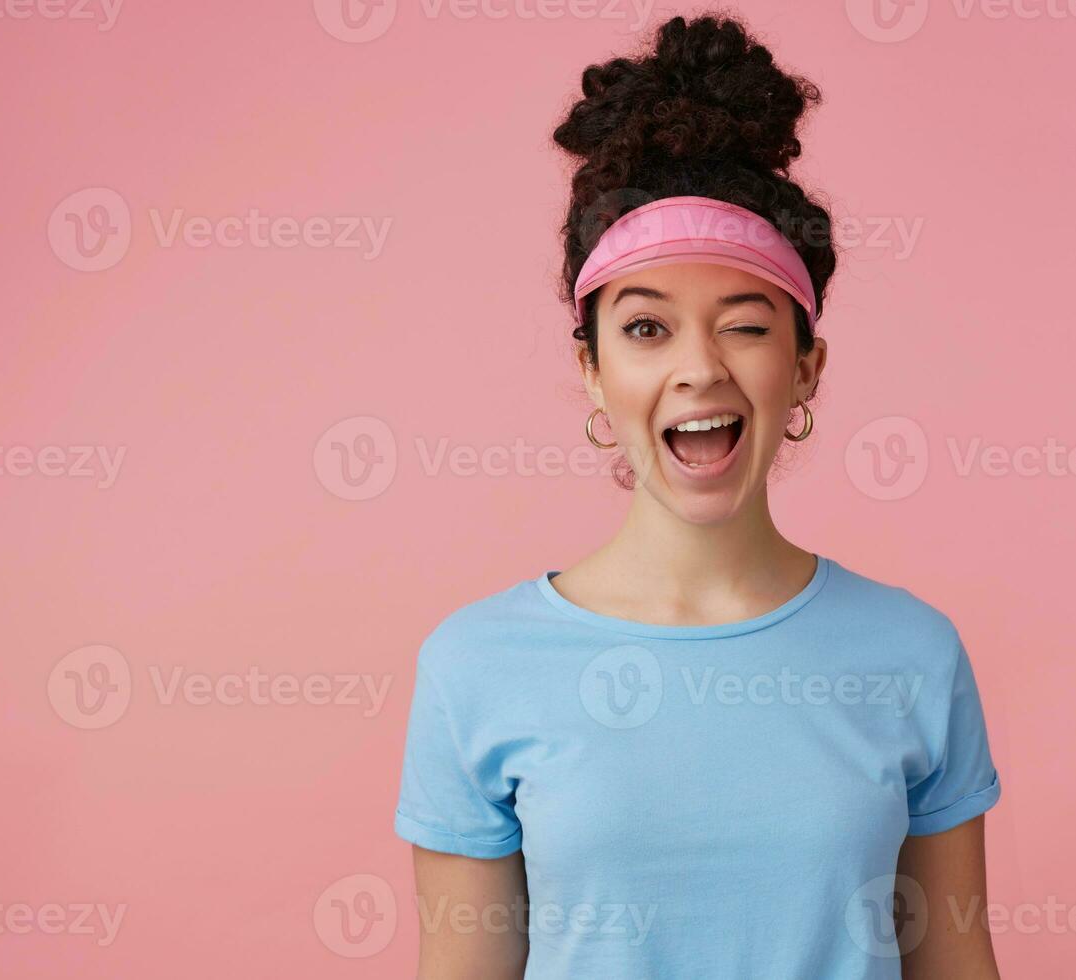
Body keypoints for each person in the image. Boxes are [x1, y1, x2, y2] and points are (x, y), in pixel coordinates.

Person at [394, 14, 1003, 978]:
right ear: (591, 372)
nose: (698, 370)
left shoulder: (912, 653)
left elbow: (956, 964)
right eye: (646, 329)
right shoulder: (475, 667)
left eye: (746, 325)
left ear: (806, 368)